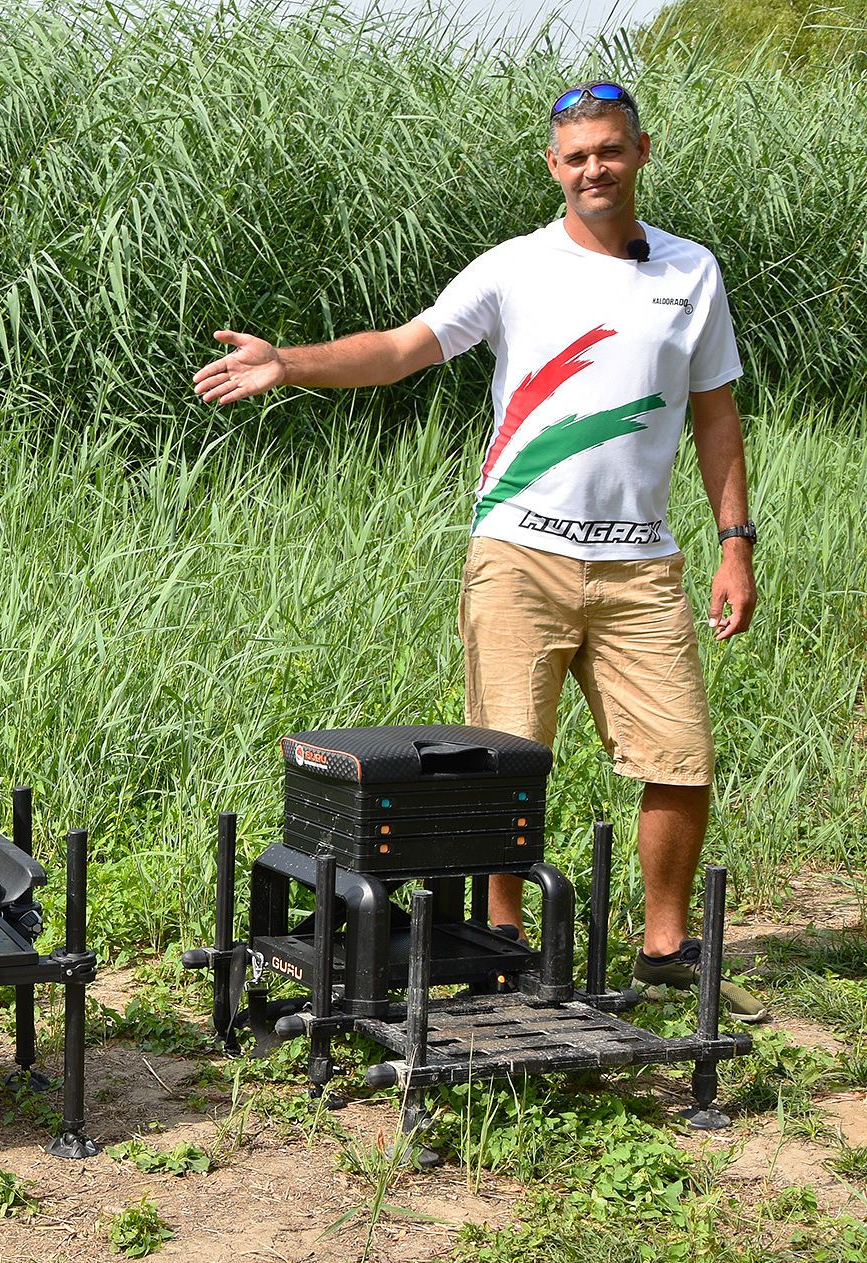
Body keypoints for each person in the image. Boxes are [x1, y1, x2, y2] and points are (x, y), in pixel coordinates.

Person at [193, 81, 765, 1022]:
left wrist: (733, 542)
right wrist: (287, 361)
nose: (595, 169)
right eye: (577, 155)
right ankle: (507, 949)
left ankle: (666, 948)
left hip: (643, 563)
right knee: (505, 765)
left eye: (611, 151)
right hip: (521, 558)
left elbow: (714, 412)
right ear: (554, 167)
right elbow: (400, 348)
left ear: (641, 153)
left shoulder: (690, 272)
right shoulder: (513, 267)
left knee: (681, 756)